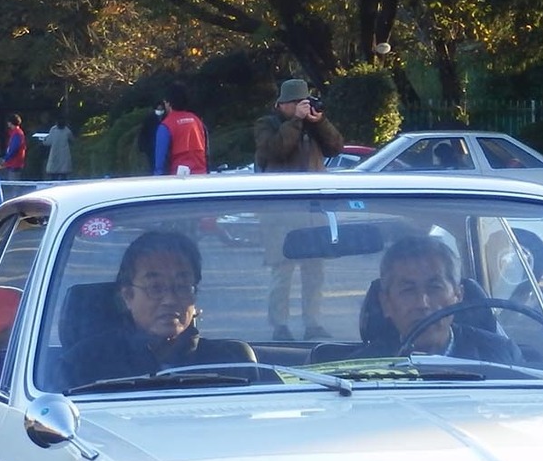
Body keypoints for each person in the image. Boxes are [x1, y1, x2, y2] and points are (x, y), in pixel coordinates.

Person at [57, 230, 245, 388]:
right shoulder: (85, 365)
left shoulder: (231, 362)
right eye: (155, 288)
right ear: (128, 296)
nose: (170, 300)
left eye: (181, 286)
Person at [254, 78, 343, 340]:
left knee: (314, 272)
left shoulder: (312, 125)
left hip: (312, 211)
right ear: (281, 104)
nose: (301, 106)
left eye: (304, 101)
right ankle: (280, 325)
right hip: (280, 212)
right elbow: (274, 151)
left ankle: (312, 323)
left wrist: (319, 122)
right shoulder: (266, 124)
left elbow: (336, 146)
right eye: (295, 103)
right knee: (282, 272)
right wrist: (295, 122)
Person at [354, 234, 523, 363]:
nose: (423, 303)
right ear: (386, 303)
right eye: (408, 290)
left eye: (435, 288)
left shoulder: (501, 357)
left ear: (458, 295)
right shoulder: (358, 370)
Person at [153, 83, 209, 176]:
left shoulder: (166, 126)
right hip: (201, 177)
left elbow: (160, 162)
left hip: (178, 181)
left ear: (168, 103)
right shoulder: (197, 121)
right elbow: (207, 152)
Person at [44, 115, 75, 180]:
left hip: (55, 154)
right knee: (63, 174)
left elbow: (48, 142)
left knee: (54, 175)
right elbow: (72, 140)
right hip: (63, 155)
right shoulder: (67, 131)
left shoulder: (53, 129)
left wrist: (43, 140)